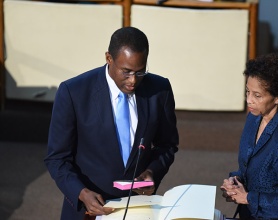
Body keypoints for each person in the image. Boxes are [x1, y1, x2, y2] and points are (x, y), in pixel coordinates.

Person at [44, 26, 179, 220]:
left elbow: (167, 145)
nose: (133, 80)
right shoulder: (73, 92)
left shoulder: (160, 90)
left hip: (138, 209)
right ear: (109, 58)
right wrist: (81, 193)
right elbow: (56, 158)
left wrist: (152, 172)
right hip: (87, 212)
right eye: (126, 71)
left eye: (140, 72)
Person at [220, 54, 278, 219]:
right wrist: (235, 180)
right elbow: (253, 167)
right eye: (247, 92)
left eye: (257, 95)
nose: (249, 100)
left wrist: (247, 197)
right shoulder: (255, 117)